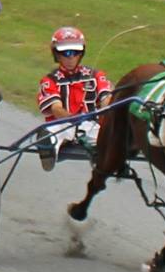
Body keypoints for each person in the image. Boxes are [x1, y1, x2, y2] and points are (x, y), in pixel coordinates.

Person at [35, 26, 112, 171]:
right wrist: (72, 119)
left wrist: (106, 109)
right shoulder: (49, 80)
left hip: (90, 125)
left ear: (81, 53)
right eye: (66, 53)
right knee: (53, 133)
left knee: (107, 135)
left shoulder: (95, 75)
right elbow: (56, 109)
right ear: (56, 55)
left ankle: (109, 154)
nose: (71, 57)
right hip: (63, 124)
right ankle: (49, 149)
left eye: (75, 52)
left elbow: (106, 98)